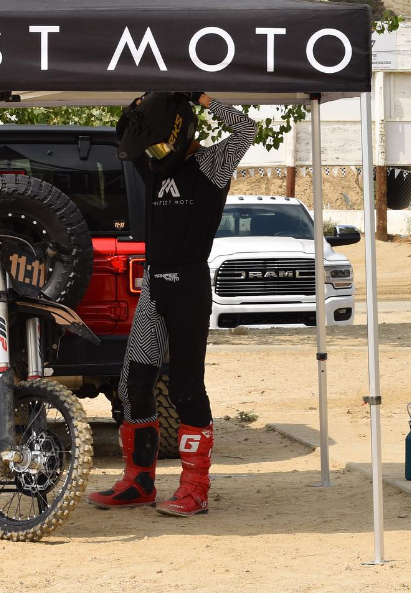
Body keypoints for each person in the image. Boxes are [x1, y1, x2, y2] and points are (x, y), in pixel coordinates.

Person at [87, 92, 256, 516]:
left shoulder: (211, 165)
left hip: (189, 286)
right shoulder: (153, 164)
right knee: (131, 388)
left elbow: (246, 129)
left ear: (183, 133)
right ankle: (139, 482)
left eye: (162, 144)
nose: (155, 154)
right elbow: (124, 135)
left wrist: (202, 98)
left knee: (185, 389)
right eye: (153, 147)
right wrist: (139, 106)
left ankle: (194, 488)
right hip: (154, 287)